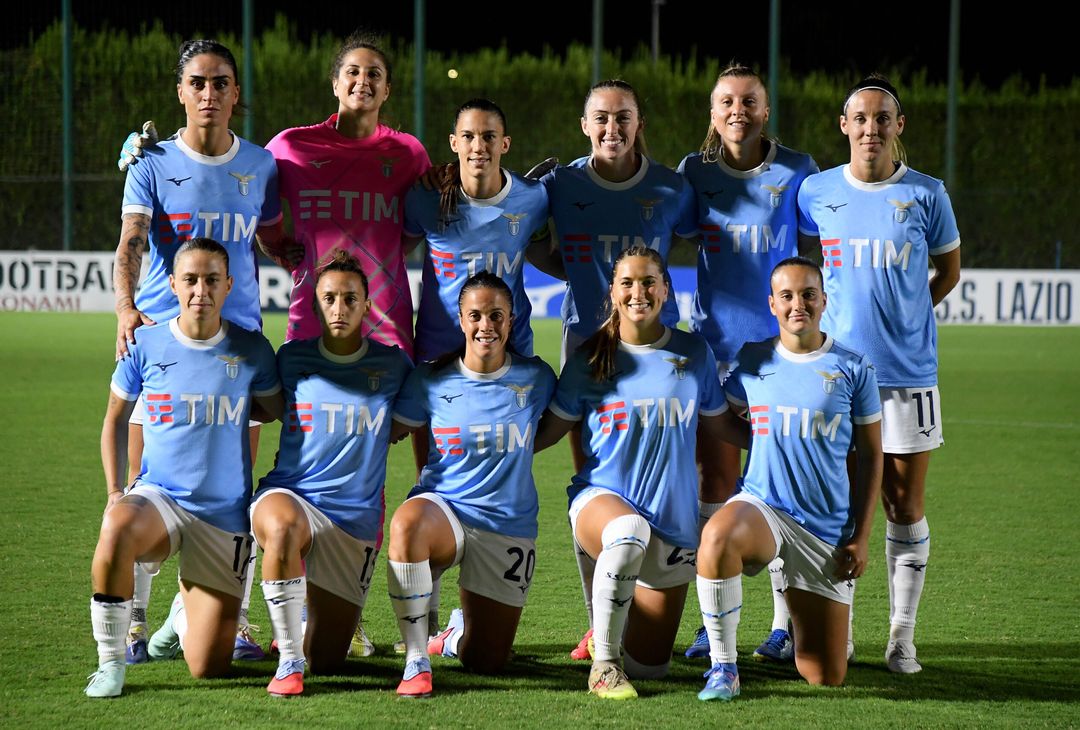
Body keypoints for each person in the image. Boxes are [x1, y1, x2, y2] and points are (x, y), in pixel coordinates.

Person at [113, 38, 285, 665]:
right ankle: (133, 625)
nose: (209, 94)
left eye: (221, 83)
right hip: (163, 343)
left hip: (237, 350)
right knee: (143, 486)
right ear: (180, 91)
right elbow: (131, 239)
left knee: (230, 492)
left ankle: (219, 619)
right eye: (198, 82)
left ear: (236, 93)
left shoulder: (261, 165)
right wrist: (127, 309)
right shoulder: (152, 162)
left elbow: (272, 240)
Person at [797, 74, 962, 674]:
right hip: (839, 376)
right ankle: (838, 631)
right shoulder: (816, 192)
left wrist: (910, 318)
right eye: (860, 118)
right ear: (844, 126)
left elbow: (948, 272)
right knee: (838, 502)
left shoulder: (926, 194)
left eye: (882, 118)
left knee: (902, 503)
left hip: (909, 375)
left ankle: (901, 635)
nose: (871, 128)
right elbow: (806, 267)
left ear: (899, 126)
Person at [534, 246, 737, 700]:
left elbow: (721, 423)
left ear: (666, 289)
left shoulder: (692, 352)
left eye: (648, 282)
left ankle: (607, 633)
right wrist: (489, 439)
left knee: (651, 669)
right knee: (628, 530)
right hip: (602, 504)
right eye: (627, 283)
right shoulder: (590, 358)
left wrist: (778, 434)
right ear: (613, 292)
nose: (638, 292)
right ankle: (603, 665)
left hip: (674, 527)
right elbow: (548, 432)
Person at [540, 80, 697, 659]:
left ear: (639, 123)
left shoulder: (671, 186)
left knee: (676, 469)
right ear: (585, 125)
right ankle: (596, 623)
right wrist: (575, 271)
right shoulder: (561, 183)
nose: (612, 128)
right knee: (594, 479)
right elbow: (530, 235)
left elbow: (706, 236)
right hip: (589, 344)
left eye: (623, 118)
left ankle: (686, 602)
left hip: (662, 347)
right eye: (601, 118)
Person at [85, 238, 282, 698]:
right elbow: (115, 419)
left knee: (208, 668)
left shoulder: (253, 349)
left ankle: (180, 615)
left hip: (224, 514)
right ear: (172, 284)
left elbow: (276, 410)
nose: (201, 290)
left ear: (229, 284)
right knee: (116, 525)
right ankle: (110, 663)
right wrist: (117, 491)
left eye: (212, 279)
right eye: (190, 279)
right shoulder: (145, 343)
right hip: (161, 499)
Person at [677, 63, 819, 662]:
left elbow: (817, 253)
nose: (739, 110)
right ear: (713, 114)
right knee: (715, 483)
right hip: (714, 355)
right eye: (727, 101)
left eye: (750, 101)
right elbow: (657, 229)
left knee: (782, 488)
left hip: (779, 361)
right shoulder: (695, 173)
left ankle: (784, 627)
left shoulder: (798, 170)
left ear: (766, 110)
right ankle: (716, 623)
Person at [695, 256, 883, 701]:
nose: (798, 304)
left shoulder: (853, 368)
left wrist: (861, 537)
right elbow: (726, 419)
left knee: (825, 673)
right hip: (764, 506)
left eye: (808, 294)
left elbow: (872, 455)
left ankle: (805, 624)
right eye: (787, 296)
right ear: (773, 304)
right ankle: (724, 667)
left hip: (824, 528)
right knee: (718, 537)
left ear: (823, 300)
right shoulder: (754, 359)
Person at [385, 272, 556, 698]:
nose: (486, 326)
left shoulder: (537, 378)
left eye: (496, 315)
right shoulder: (430, 379)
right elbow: (387, 433)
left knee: (488, 661)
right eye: (476, 315)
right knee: (407, 525)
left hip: (507, 524)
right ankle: (416, 658)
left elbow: (557, 428)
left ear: (511, 320)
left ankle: (456, 634)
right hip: (446, 509)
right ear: (460, 320)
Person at [250, 251, 411, 696]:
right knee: (282, 527)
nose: (339, 308)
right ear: (314, 303)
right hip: (291, 496)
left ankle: (301, 626)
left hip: (352, 523)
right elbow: (258, 408)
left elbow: (410, 422)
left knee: (327, 659)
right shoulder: (291, 359)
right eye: (329, 298)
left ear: (366, 304)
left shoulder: (394, 366)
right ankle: (286, 659)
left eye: (349, 298)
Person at [403, 98, 552, 362]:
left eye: (489, 136)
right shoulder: (425, 198)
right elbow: (392, 255)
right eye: (468, 136)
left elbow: (542, 253)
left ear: (504, 143)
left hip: (511, 350)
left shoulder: (533, 198)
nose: (478, 146)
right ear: (454, 142)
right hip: (439, 355)